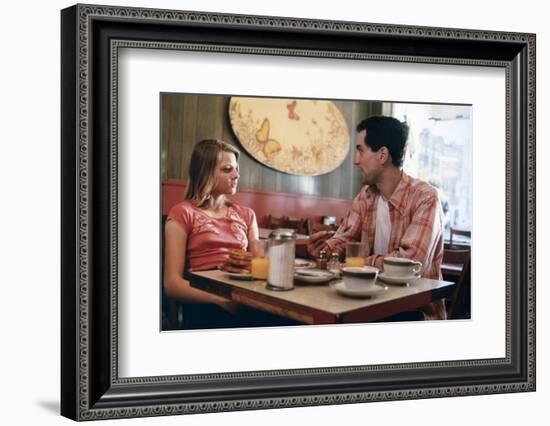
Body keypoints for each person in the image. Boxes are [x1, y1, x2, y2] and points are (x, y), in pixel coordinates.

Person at [308, 116, 446, 320]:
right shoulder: (367, 195)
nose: (355, 160)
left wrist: (359, 262)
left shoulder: (425, 197)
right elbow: (343, 240)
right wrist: (324, 250)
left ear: (382, 155)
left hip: (414, 313)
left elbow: (409, 264)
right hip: (369, 305)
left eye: (360, 150)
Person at [163, 139, 259, 327]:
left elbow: (259, 260)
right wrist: (221, 300)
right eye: (227, 169)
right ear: (205, 172)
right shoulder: (183, 213)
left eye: (236, 169)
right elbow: (172, 284)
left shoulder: (247, 215)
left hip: (245, 294)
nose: (236, 175)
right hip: (204, 300)